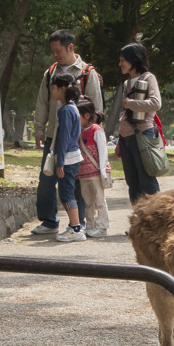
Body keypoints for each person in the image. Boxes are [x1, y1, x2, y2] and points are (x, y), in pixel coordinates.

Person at [31, 29, 104, 235]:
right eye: (52, 51)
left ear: (70, 47)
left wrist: (92, 135)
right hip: (53, 137)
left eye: (58, 50)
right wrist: (39, 128)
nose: (55, 54)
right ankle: (48, 220)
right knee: (46, 179)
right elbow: (42, 103)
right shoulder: (50, 73)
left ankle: (76, 223)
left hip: (78, 139)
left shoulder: (86, 73)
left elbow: (96, 107)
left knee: (76, 182)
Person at [114, 42, 162, 204]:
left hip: (142, 134)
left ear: (133, 59)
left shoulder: (148, 78)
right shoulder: (127, 83)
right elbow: (123, 112)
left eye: (123, 60)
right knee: (132, 183)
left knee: (146, 181)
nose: (120, 64)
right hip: (126, 137)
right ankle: (138, 223)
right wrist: (119, 139)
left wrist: (131, 103)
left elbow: (156, 103)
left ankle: (154, 223)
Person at [49, 74, 85, 242]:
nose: (52, 91)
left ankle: (76, 228)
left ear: (62, 89)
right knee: (68, 191)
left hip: (68, 158)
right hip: (73, 156)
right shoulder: (73, 108)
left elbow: (63, 138)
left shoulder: (65, 111)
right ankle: (74, 225)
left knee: (66, 193)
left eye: (53, 88)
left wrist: (60, 162)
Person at [76, 98, 111, 237]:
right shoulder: (80, 131)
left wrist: (103, 171)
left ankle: (102, 226)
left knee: (99, 200)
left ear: (86, 115)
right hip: (83, 173)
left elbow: (103, 151)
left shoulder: (97, 130)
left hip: (95, 172)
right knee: (88, 201)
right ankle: (90, 225)